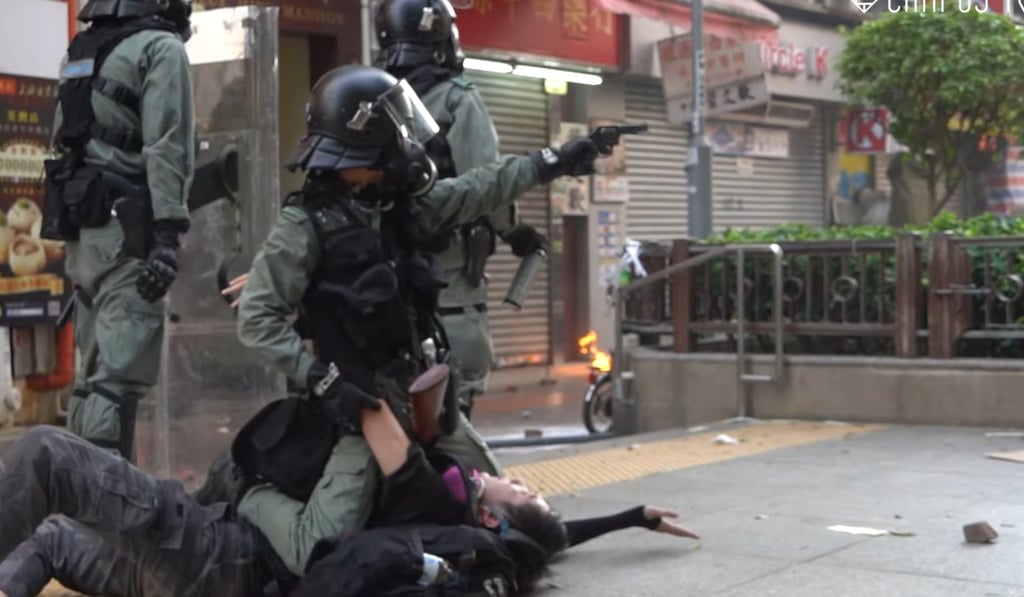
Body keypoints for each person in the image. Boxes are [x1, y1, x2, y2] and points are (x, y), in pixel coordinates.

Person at [231, 62, 600, 576]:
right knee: (312, 549)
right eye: (392, 134)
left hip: (425, 399)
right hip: (364, 412)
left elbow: (478, 188)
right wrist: (324, 381)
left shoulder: (398, 208)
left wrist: (551, 162)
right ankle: (250, 497)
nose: (404, 146)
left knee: (517, 521)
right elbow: (258, 320)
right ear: (359, 147)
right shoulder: (304, 228)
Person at [0, 412, 696, 597]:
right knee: (56, 537)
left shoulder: (428, 491)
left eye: (524, 491)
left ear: (492, 515)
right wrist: (632, 514)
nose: (518, 479)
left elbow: (367, 406)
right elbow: (552, 537)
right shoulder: (469, 527)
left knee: (46, 456)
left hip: (218, 554)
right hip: (212, 568)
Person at [373, 0, 550, 419]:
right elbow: (487, 185)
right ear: (441, 39)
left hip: (382, 268)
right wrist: (514, 231)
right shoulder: (457, 99)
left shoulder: (373, 96)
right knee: (453, 393)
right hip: (450, 271)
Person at [40, 0, 196, 461]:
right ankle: (104, 520)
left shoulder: (81, 50)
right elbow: (169, 147)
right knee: (117, 383)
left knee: (91, 383)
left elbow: (63, 140)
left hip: (84, 232)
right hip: (129, 231)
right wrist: (167, 235)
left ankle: (74, 500)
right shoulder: (160, 48)